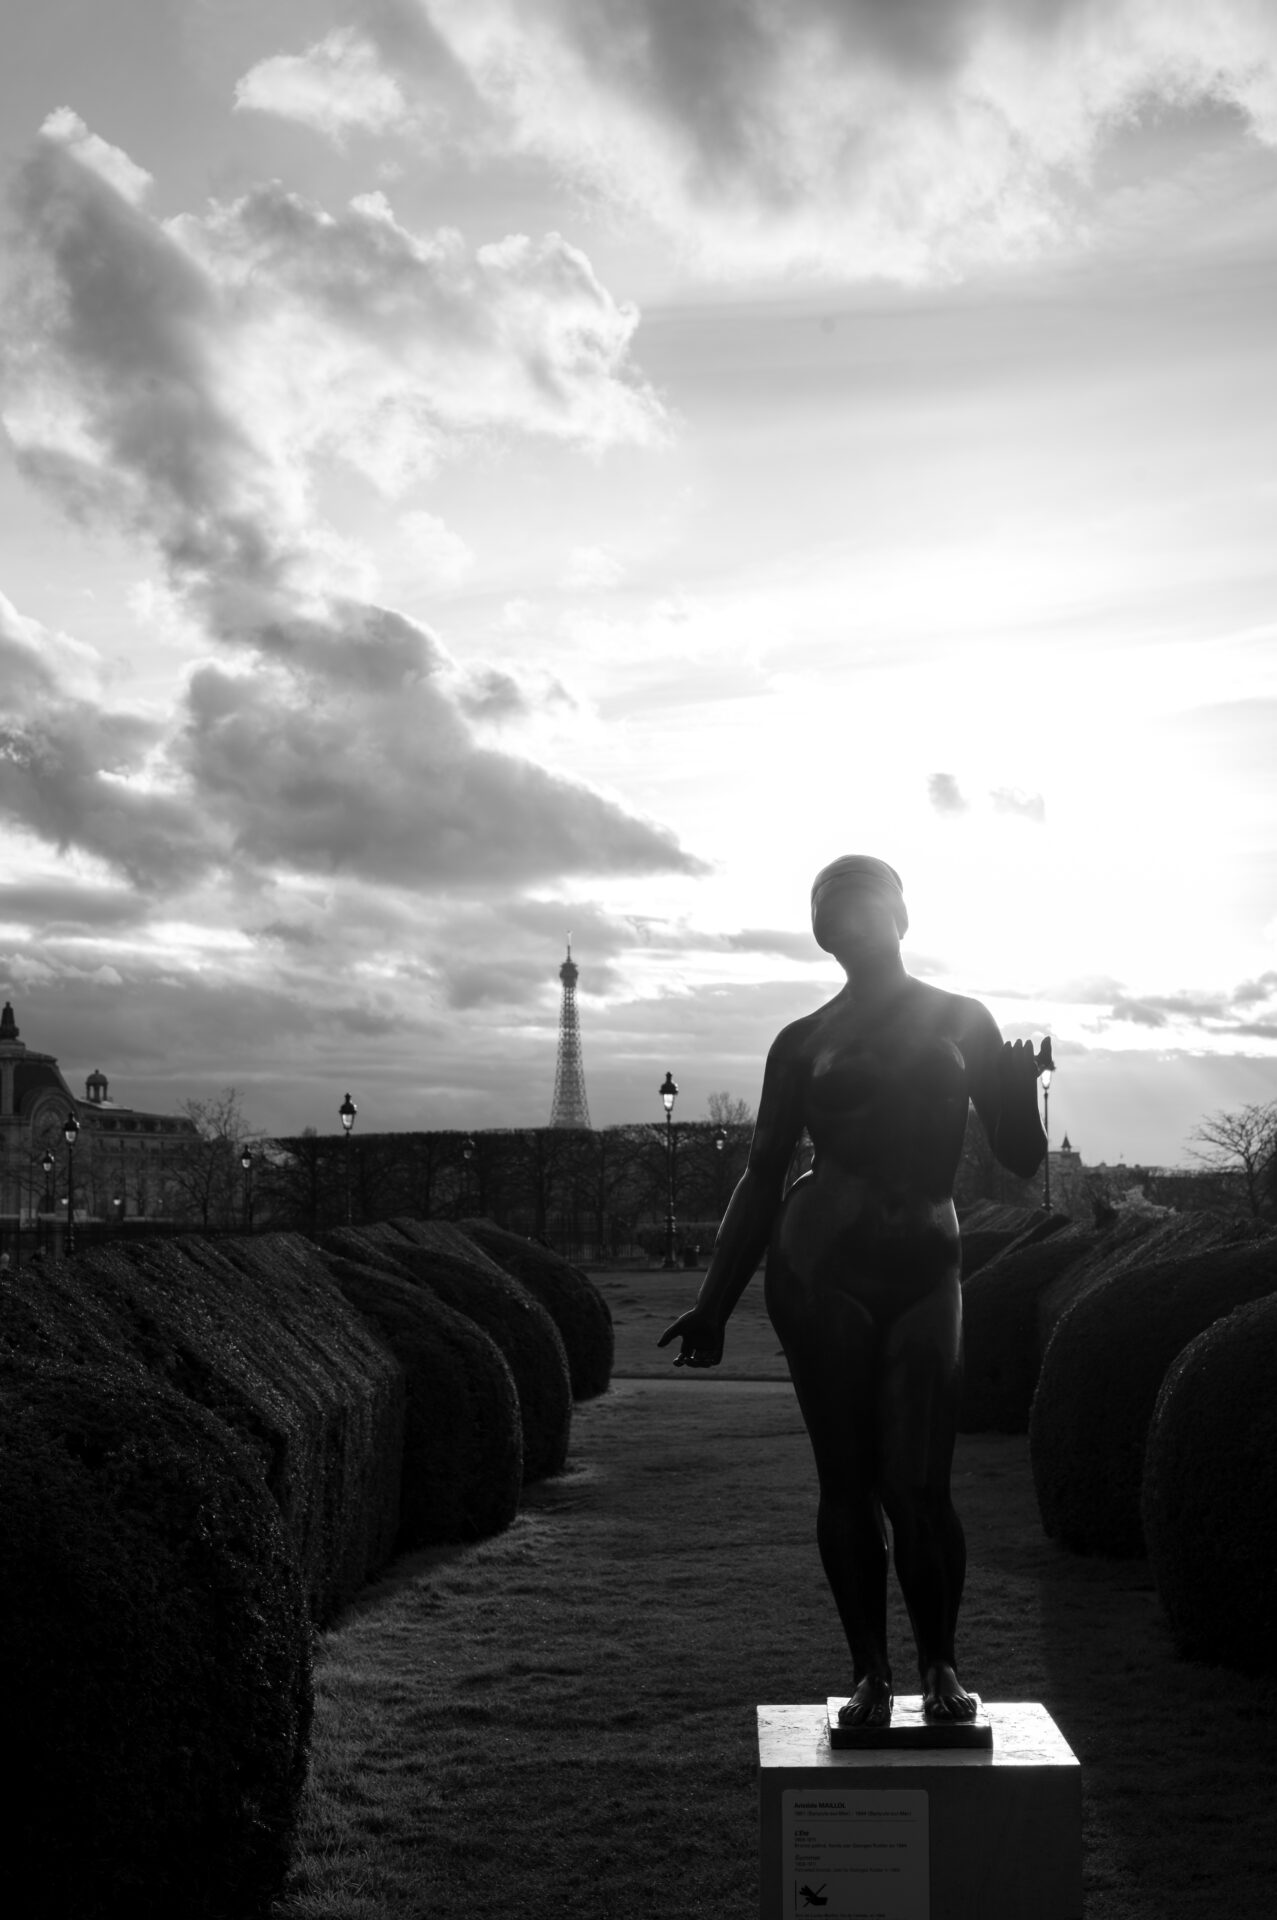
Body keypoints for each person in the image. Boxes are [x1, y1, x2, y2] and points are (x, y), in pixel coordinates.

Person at [658, 856, 1047, 1727]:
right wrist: (714, 1302)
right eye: (827, 912)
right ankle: (872, 1672)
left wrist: (1021, 1094)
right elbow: (761, 1176)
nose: (844, 923)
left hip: (923, 1266)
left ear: (901, 917)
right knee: (846, 1482)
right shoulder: (801, 1041)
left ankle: (940, 1664)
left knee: (918, 1482)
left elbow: (1019, 1156)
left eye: (859, 905)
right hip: (818, 1263)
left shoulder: (963, 1018)